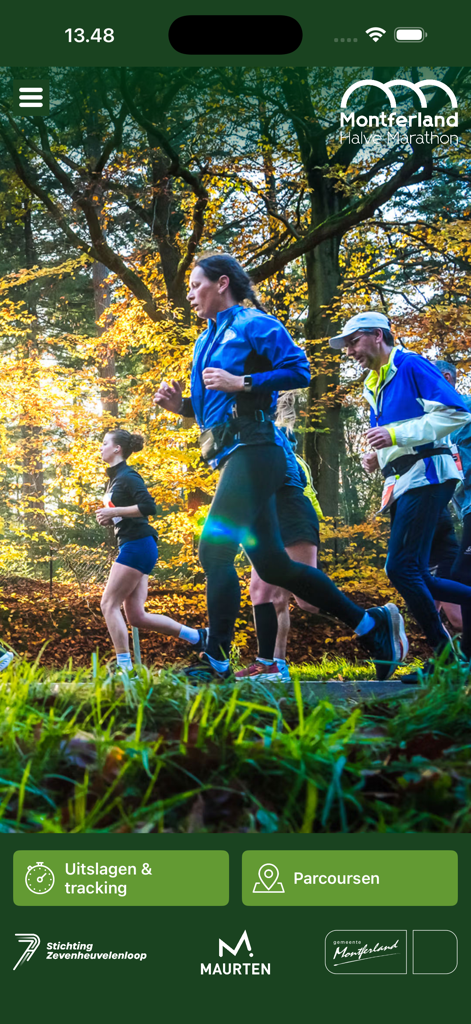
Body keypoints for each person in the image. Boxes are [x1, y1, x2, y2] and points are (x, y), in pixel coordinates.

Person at [154, 253, 407, 683]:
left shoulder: (255, 324)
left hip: (257, 450)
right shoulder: (204, 341)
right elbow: (215, 409)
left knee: (213, 550)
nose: (191, 295)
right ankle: (372, 627)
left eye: (196, 286)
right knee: (273, 568)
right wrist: (183, 408)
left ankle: (215, 658)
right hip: (230, 454)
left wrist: (244, 382)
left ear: (220, 283)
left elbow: (299, 370)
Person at [332, 312, 471, 682]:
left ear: (378, 335)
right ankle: (449, 657)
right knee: (416, 572)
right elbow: (399, 435)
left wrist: (393, 437)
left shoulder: (410, 365)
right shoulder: (373, 383)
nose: (349, 351)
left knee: (400, 568)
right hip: (404, 481)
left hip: (430, 476)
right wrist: (379, 455)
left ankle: (446, 661)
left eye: (353, 342)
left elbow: (457, 413)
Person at [97, 429, 207, 674]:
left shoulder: (128, 476)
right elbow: (125, 512)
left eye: (105, 443)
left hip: (138, 545)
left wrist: (114, 513)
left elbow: (148, 507)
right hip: (137, 544)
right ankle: (198, 637)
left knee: (108, 604)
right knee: (136, 616)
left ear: (117, 449)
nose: (101, 447)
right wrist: (110, 517)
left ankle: (125, 669)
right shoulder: (115, 479)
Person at [237, 392, 321, 683]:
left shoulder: (274, 437)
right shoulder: (250, 435)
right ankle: (274, 665)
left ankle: (376, 619)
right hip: (268, 519)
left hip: (292, 515)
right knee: (266, 595)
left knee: (307, 601)